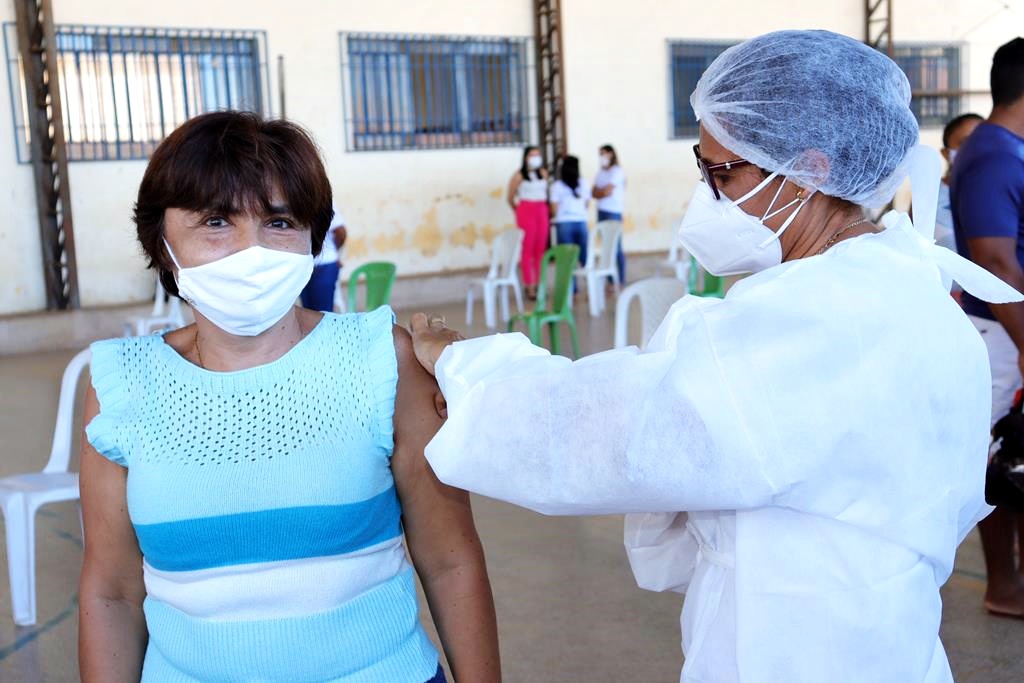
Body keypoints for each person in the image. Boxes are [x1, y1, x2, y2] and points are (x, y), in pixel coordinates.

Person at [411, 30, 1023, 682]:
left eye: (722, 173)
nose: (708, 196)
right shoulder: (918, 295)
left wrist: (465, 364)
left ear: (809, 171)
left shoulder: (809, 320)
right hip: (896, 643)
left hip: (789, 649)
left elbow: (609, 435)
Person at [78, 111, 500, 682]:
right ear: (161, 239)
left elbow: (450, 562)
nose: (252, 252)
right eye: (216, 221)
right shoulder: (120, 385)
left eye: (279, 223)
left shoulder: (384, 360)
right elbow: (112, 593)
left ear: (311, 238)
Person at [950, 36, 1024, 620]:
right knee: (999, 458)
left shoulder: (1005, 148)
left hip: (1010, 330)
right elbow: (994, 260)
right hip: (1002, 333)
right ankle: (1003, 586)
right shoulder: (993, 154)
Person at [507, 146, 549, 300]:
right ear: (525, 157)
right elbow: (510, 197)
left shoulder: (543, 173)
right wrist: (519, 211)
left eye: (538, 155)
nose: (535, 157)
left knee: (540, 249)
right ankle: (529, 285)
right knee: (527, 249)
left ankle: (540, 283)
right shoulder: (519, 175)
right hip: (526, 209)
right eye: (532, 155)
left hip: (541, 210)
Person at [935, 113, 982, 253]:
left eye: (982, 140)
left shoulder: (1007, 190)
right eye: (966, 143)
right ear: (946, 153)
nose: (977, 149)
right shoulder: (929, 196)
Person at [549, 155, 591, 289]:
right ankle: (590, 284)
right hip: (581, 222)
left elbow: (554, 208)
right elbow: (586, 204)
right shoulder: (584, 183)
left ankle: (572, 289)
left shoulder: (557, 186)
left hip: (564, 223)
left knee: (567, 259)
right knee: (584, 256)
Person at [299, 207, 347, 312]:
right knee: (308, 312)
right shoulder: (296, 201)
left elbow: (341, 232)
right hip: (303, 265)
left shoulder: (324, 201)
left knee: (322, 313)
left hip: (324, 266)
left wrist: (333, 251)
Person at [591, 144, 627, 284]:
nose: (602, 157)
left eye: (605, 154)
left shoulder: (617, 172)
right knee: (605, 245)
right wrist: (601, 192)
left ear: (612, 154)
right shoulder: (600, 173)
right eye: (601, 154)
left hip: (614, 212)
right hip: (601, 211)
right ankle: (610, 280)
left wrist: (600, 192)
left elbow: (606, 191)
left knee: (616, 246)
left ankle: (621, 279)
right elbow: (593, 192)